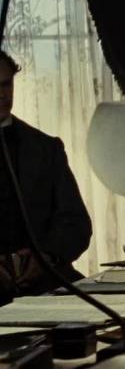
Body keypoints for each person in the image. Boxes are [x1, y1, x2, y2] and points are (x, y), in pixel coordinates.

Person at [0, 50, 92, 303]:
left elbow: (75, 223)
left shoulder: (45, 147)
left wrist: (47, 257)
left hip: (46, 283)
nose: (2, 95)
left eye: (6, 84)